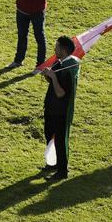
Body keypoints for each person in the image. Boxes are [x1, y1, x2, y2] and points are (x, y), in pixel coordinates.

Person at [39, 36, 80, 181]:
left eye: (56, 46)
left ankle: (62, 171)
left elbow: (61, 93)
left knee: (60, 141)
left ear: (63, 49)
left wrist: (53, 77)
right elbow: (52, 77)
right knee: (49, 136)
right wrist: (48, 75)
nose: (54, 49)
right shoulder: (60, 63)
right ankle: (53, 163)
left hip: (61, 111)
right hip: (51, 108)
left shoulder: (70, 67)